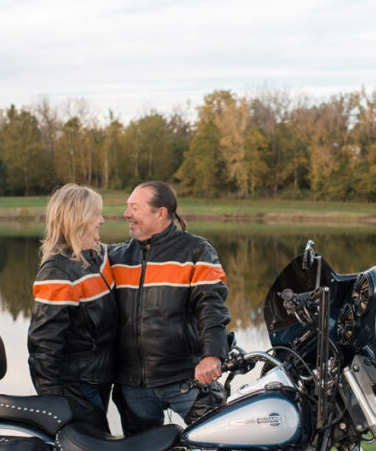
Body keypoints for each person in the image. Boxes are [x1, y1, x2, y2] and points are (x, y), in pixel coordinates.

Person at [109, 180, 230, 435]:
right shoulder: (116, 257)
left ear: (160, 213)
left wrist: (212, 355)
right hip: (132, 385)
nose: (126, 214)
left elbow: (211, 306)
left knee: (219, 446)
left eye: (134, 207)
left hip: (186, 379)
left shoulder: (196, 250)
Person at [28, 184, 117, 432]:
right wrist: (53, 402)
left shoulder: (95, 256)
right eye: (95, 215)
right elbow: (43, 346)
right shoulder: (57, 272)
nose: (101, 220)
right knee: (92, 449)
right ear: (77, 220)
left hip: (99, 378)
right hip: (77, 386)